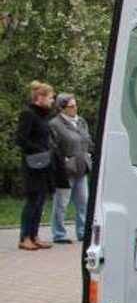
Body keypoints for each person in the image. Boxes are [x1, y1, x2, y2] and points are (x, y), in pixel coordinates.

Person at [15, 81, 59, 250]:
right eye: (49, 98)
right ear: (39, 98)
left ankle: (35, 235)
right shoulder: (28, 114)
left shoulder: (44, 115)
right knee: (32, 200)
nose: (51, 101)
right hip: (32, 163)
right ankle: (24, 237)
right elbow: (21, 138)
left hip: (45, 162)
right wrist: (38, 151)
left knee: (40, 200)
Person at [49, 92, 93, 243]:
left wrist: (90, 154)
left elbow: (88, 140)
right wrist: (63, 159)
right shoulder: (55, 124)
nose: (75, 108)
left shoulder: (81, 121)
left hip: (82, 166)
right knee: (61, 203)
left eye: (76, 105)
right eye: (71, 106)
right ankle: (58, 234)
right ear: (62, 108)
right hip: (65, 169)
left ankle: (82, 232)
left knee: (83, 202)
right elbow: (52, 146)